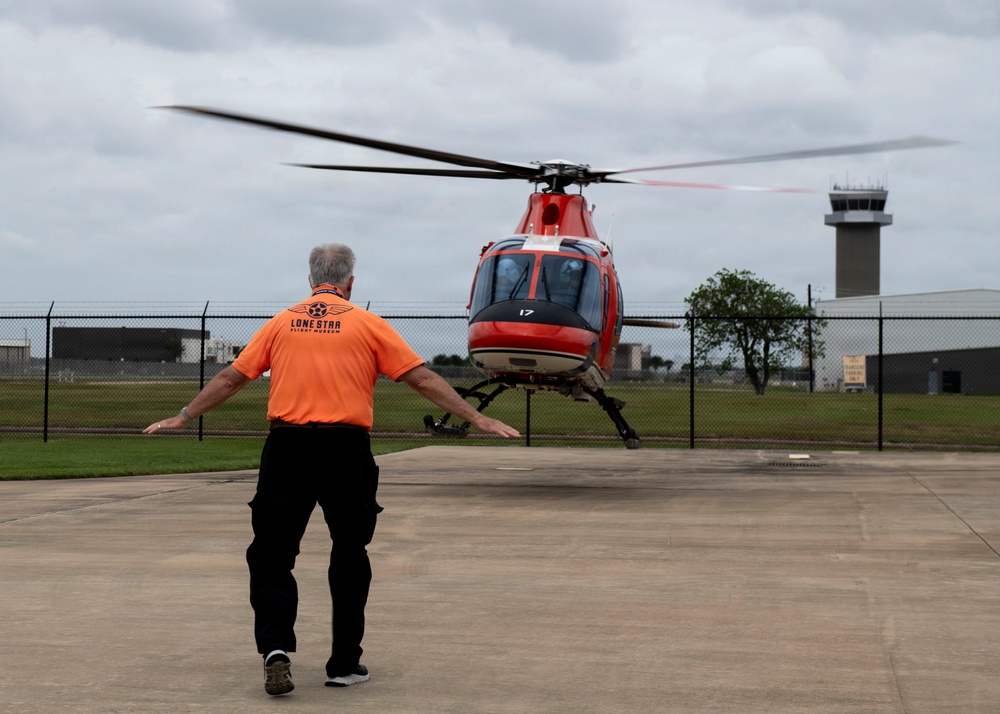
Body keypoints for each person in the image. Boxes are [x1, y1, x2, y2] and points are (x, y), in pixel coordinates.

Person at [143, 243, 519, 696]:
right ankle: (344, 662)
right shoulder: (368, 324)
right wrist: (478, 418)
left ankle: (275, 648)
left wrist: (183, 416)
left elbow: (232, 377)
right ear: (350, 282)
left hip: (287, 447)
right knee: (349, 552)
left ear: (310, 280)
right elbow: (421, 377)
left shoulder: (282, 322)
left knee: (272, 553)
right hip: (346, 450)